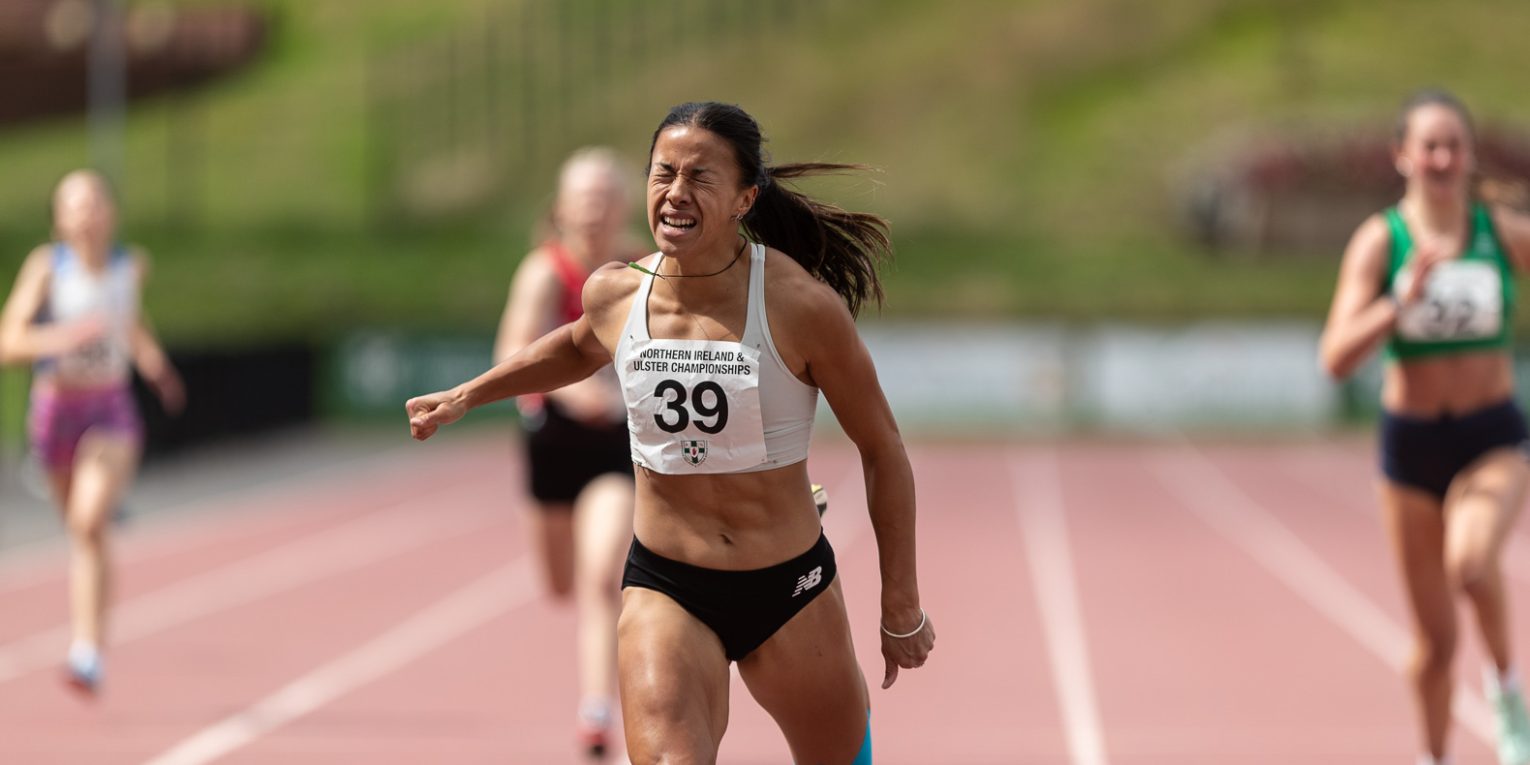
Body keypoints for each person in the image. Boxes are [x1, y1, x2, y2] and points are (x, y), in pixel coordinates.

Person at [408, 101, 934, 763]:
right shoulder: (618, 294)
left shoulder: (799, 306)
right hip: (669, 584)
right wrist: (467, 394)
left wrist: (901, 603)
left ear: (745, 196)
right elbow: (573, 347)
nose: (675, 194)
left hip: (788, 587)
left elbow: (883, 448)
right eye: (663, 174)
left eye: (700, 177)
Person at [1320, 90, 1530, 765]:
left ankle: (1505, 691)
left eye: (1454, 145)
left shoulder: (1500, 233)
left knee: (1471, 561)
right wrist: (1397, 301)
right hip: (1411, 448)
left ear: (1470, 156)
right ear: (1402, 155)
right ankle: (1433, 756)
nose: (1442, 157)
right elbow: (1336, 356)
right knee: (1433, 648)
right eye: (1429, 145)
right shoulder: (1382, 240)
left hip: (1491, 435)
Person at [0, 170, 184, 694]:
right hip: (56, 411)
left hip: (110, 408)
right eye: (75, 205)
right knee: (80, 532)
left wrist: (153, 363)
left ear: (112, 213)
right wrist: (61, 337)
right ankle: (105, 513)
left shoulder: (132, 266)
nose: (87, 213)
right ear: (59, 219)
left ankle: (87, 651)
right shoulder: (47, 269)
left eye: (96, 202)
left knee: (87, 522)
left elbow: (128, 320)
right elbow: (8, 341)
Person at [492, 147, 644, 758]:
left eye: (605, 197)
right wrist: (576, 391)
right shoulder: (544, 271)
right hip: (553, 444)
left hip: (616, 446)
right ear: (561, 208)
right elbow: (511, 351)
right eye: (583, 198)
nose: (594, 209)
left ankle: (596, 710)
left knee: (600, 576)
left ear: (622, 207)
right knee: (558, 584)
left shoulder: (640, 269)